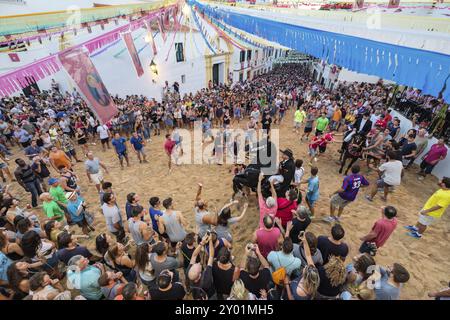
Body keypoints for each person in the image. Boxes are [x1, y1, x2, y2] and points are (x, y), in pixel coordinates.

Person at [283, 232, 320, 300]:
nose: (305, 266)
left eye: (305, 268)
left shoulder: (300, 292)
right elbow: (308, 255)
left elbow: (291, 298)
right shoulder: (313, 272)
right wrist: (304, 240)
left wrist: (287, 285)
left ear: (305, 276)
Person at [187, 234, 216, 299]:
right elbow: (211, 256)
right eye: (198, 265)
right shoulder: (206, 279)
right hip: (210, 295)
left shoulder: (189, 272)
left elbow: (194, 255)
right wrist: (210, 240)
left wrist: (202, 243)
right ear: (200, 275)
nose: (197, 263)